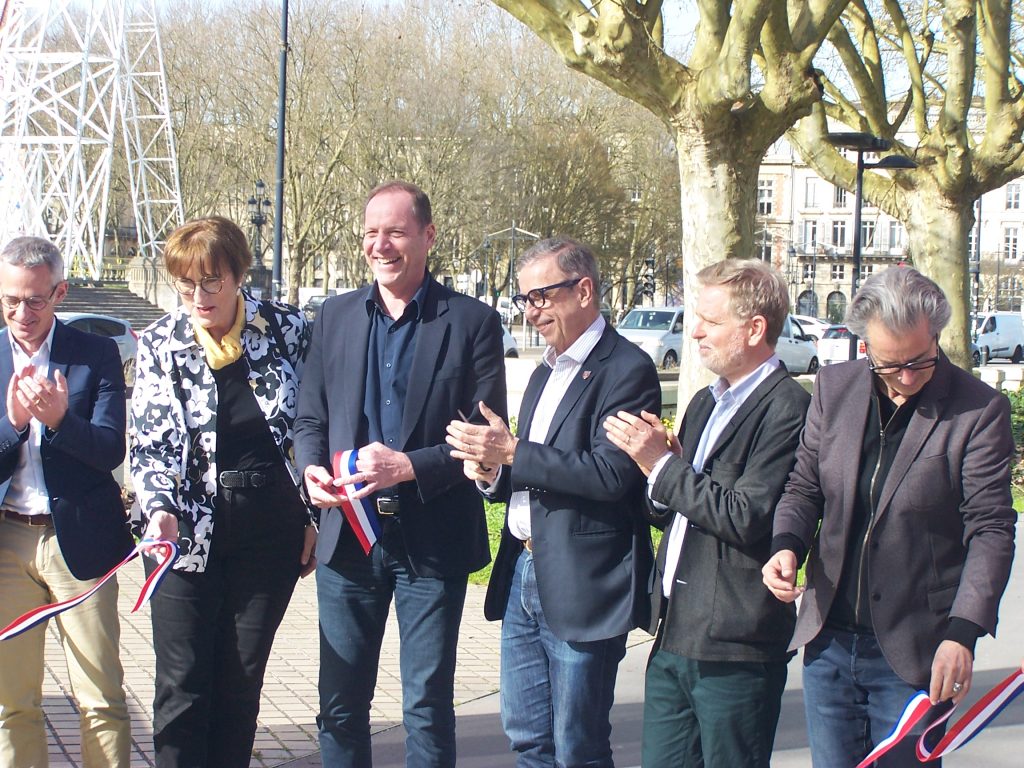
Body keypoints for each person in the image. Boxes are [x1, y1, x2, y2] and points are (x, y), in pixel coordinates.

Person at [762, 266, 1017, 767]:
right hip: (829, 641)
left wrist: (962, 632)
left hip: (915, 649)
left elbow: (990, 529)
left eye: (919, 362)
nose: (904, 378)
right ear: (865, 347)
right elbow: (804, 486)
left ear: (937, 335)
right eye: (888, 364)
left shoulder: (977, 410)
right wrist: (786, 544)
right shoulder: (835, 389)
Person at [294, 180, 507, 767]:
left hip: (430, 541)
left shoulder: (472, 322)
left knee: (427, 706)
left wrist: (407, 466)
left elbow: (485, 436)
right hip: (348, 540)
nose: (380, 245)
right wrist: (309, 470)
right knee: (339, 705)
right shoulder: (333, 317)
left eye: (395, 232)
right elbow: (309, 416)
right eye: (370, 232)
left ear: (428, 237)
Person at [446, 237, 660, 768]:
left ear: (584, 289)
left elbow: (613, 476)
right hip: (521, 569)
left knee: (577, 746)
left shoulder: (626, 369)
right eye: (524, 300)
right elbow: (528, 469)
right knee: (527, 739)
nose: (531, 311)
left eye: (541, 296)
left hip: (583, 584)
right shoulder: (544, 371)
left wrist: (513, 450)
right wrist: (491, 470)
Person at [603, 258, 810, 767]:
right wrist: (653, 467)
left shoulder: (787, 408)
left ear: (755, 328)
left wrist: (662, 465)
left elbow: (746, 515)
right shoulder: (704, 401)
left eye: (711, 321)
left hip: (735, 644)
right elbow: (670, 509)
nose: (694, 331)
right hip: (675, 630)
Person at [130, 216, 315, 767]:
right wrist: (159, 508)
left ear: (238, 275)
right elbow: (151, 443)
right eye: (186, 285)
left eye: (211, 282)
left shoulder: (287, 330)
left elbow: (313, 427)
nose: (198, 297)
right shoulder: (162, 344)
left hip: (269, 533)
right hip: (185, 533)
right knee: (182, 686)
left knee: (240, 685)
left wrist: (312, 516)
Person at [0, 235, 133, 767]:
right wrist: (13, 425)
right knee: (12, 702)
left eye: (35, 299)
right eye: (10, 299)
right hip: (9, 541)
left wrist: (59, 421)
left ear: (60, 293)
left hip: (78, 540)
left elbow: (108, 450)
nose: (21, 312)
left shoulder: (94, 353)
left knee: (100, 697)